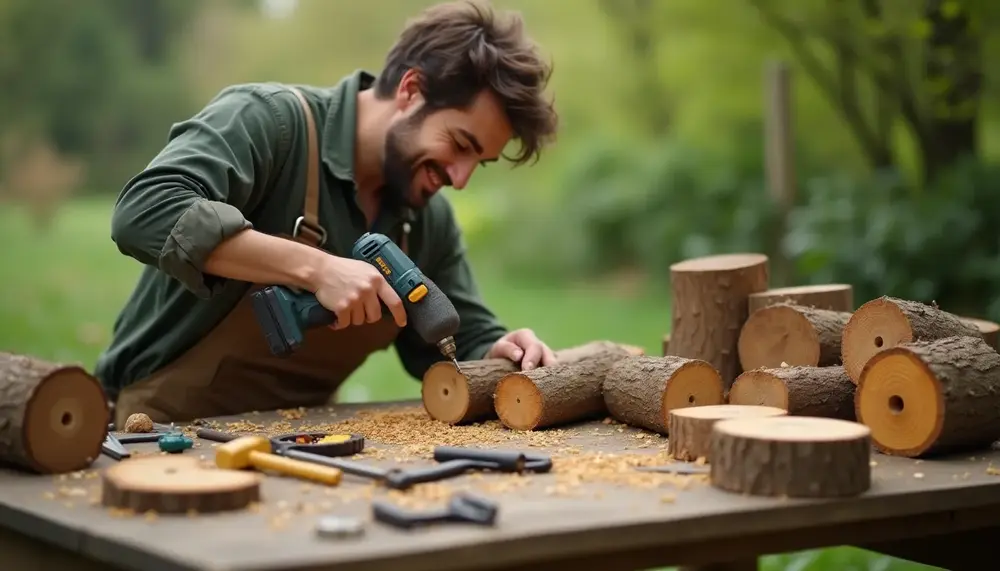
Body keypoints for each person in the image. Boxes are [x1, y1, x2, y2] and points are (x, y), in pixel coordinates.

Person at [96, 0, 560, 426]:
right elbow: (145, 209)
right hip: (159, 433)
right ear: (411, 90)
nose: (460, 179)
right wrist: (317, 268)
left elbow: (459, 342)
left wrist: (497, 351)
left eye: (479, 164)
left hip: (304, 448)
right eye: (460, 145)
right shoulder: (272, 124)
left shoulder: (426, 220)